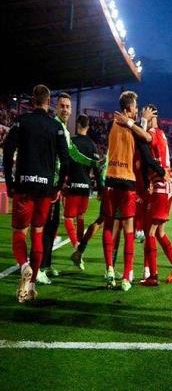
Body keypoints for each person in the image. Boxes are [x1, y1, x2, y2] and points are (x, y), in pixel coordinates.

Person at [2, 84, 69, 302]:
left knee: (19, 232)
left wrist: (10, 182)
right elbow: (65, 160)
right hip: (45, 189)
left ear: (32, 101)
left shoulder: (22, 121)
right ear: (49, 102)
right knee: (38, 232)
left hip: (23, 186)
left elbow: (7, 151)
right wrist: (57, 188)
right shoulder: (55, 126)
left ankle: (24, 266)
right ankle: (31, 286)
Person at [103, 94, 164, 291]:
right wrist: (140, 122)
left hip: (111, 179)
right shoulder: (133, 127)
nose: (137, 110)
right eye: (135, 107)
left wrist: (136, 122)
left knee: (109, 226)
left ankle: (109, 269)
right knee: (128, 228)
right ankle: (126, 277)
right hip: (128, 180)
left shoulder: (111, 124)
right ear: (129, 108)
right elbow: (146, 138)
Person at [38, 93, 100, 285]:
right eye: (62, 106)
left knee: (53, 226)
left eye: (67, 106)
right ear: (56, 107)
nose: (65, 109)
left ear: (71, 110)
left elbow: (73, 153)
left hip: (58, 186)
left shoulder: (64, 131)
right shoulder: (53, 127)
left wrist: (94, 163)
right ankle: (39, 268)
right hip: (50, 184)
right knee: (45, 226)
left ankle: (46, 265)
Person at [140, 104, 172, 286]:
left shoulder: (152, 133)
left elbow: (142, 141)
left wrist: (142, 121)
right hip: (165, 187)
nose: (143, 116)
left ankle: (153, 276)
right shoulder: (162, 134)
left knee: (150, 232)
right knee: (159, 232)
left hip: (160, 186)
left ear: (152, 115)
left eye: (145, 113)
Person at [63, 114, 101, 270]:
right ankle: (80, 250)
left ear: (77, 125)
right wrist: (100, 188)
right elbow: (96, 168)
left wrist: (63, 181)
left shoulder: (71, 142)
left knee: (67, 217)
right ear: (88, 127)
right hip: (86, 187)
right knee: (80, 217)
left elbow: (65, 163)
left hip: (73, 185)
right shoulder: (92, 145)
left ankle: (76, 245)